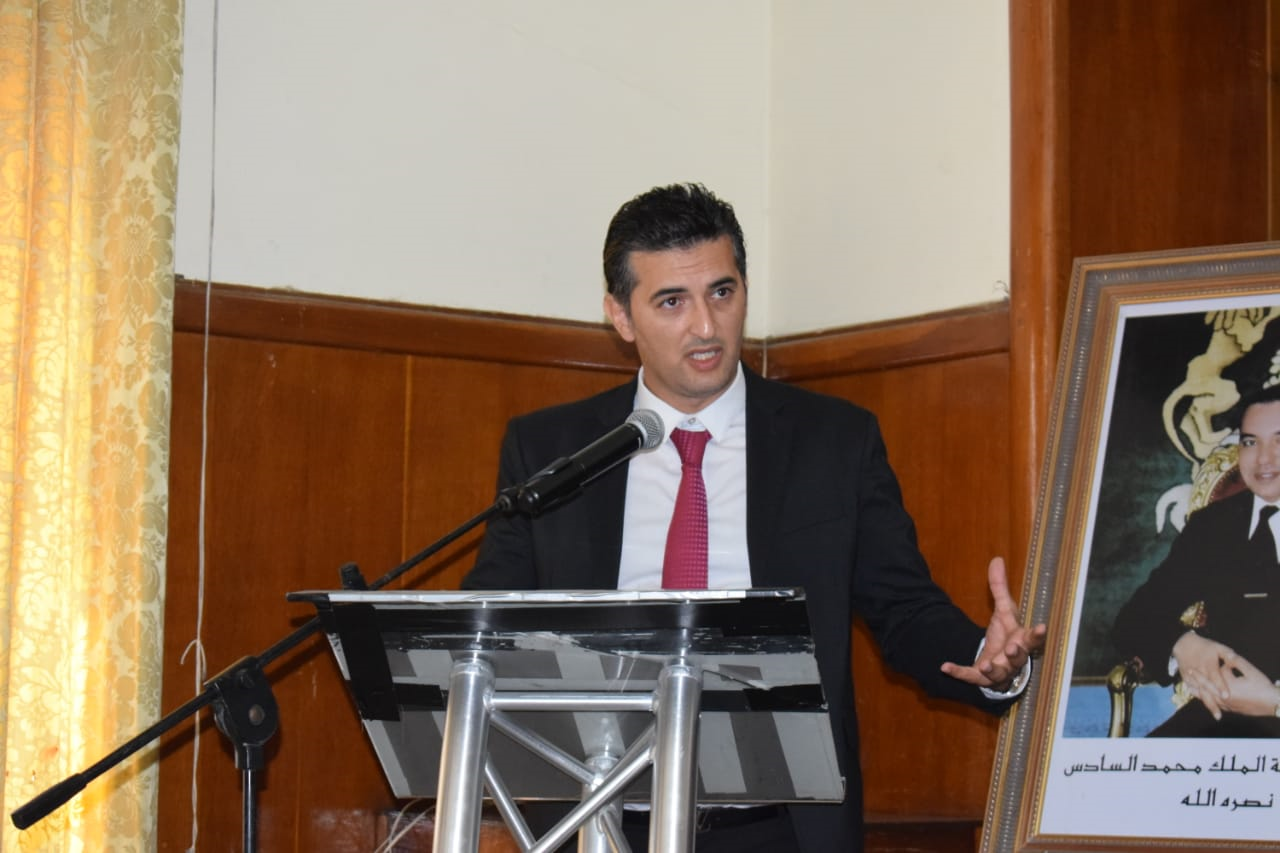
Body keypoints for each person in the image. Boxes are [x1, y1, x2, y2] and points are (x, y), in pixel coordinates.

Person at [462, 183, 1047, 851]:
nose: (706, 327)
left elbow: (904, 608)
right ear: (620, 316)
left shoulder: (833, 442)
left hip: (774, 827)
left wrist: (985, 658)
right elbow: (488, 625)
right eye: (672, 301)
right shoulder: (552, 451)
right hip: (596, 822)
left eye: (722, 291)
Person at [1113, 383, 1280, 738]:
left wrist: (1273, 703)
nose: (1264, 459)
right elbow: (1133, 619)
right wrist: (1183, 645)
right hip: (1221, 716)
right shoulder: (1214, 526)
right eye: (1251, 442)